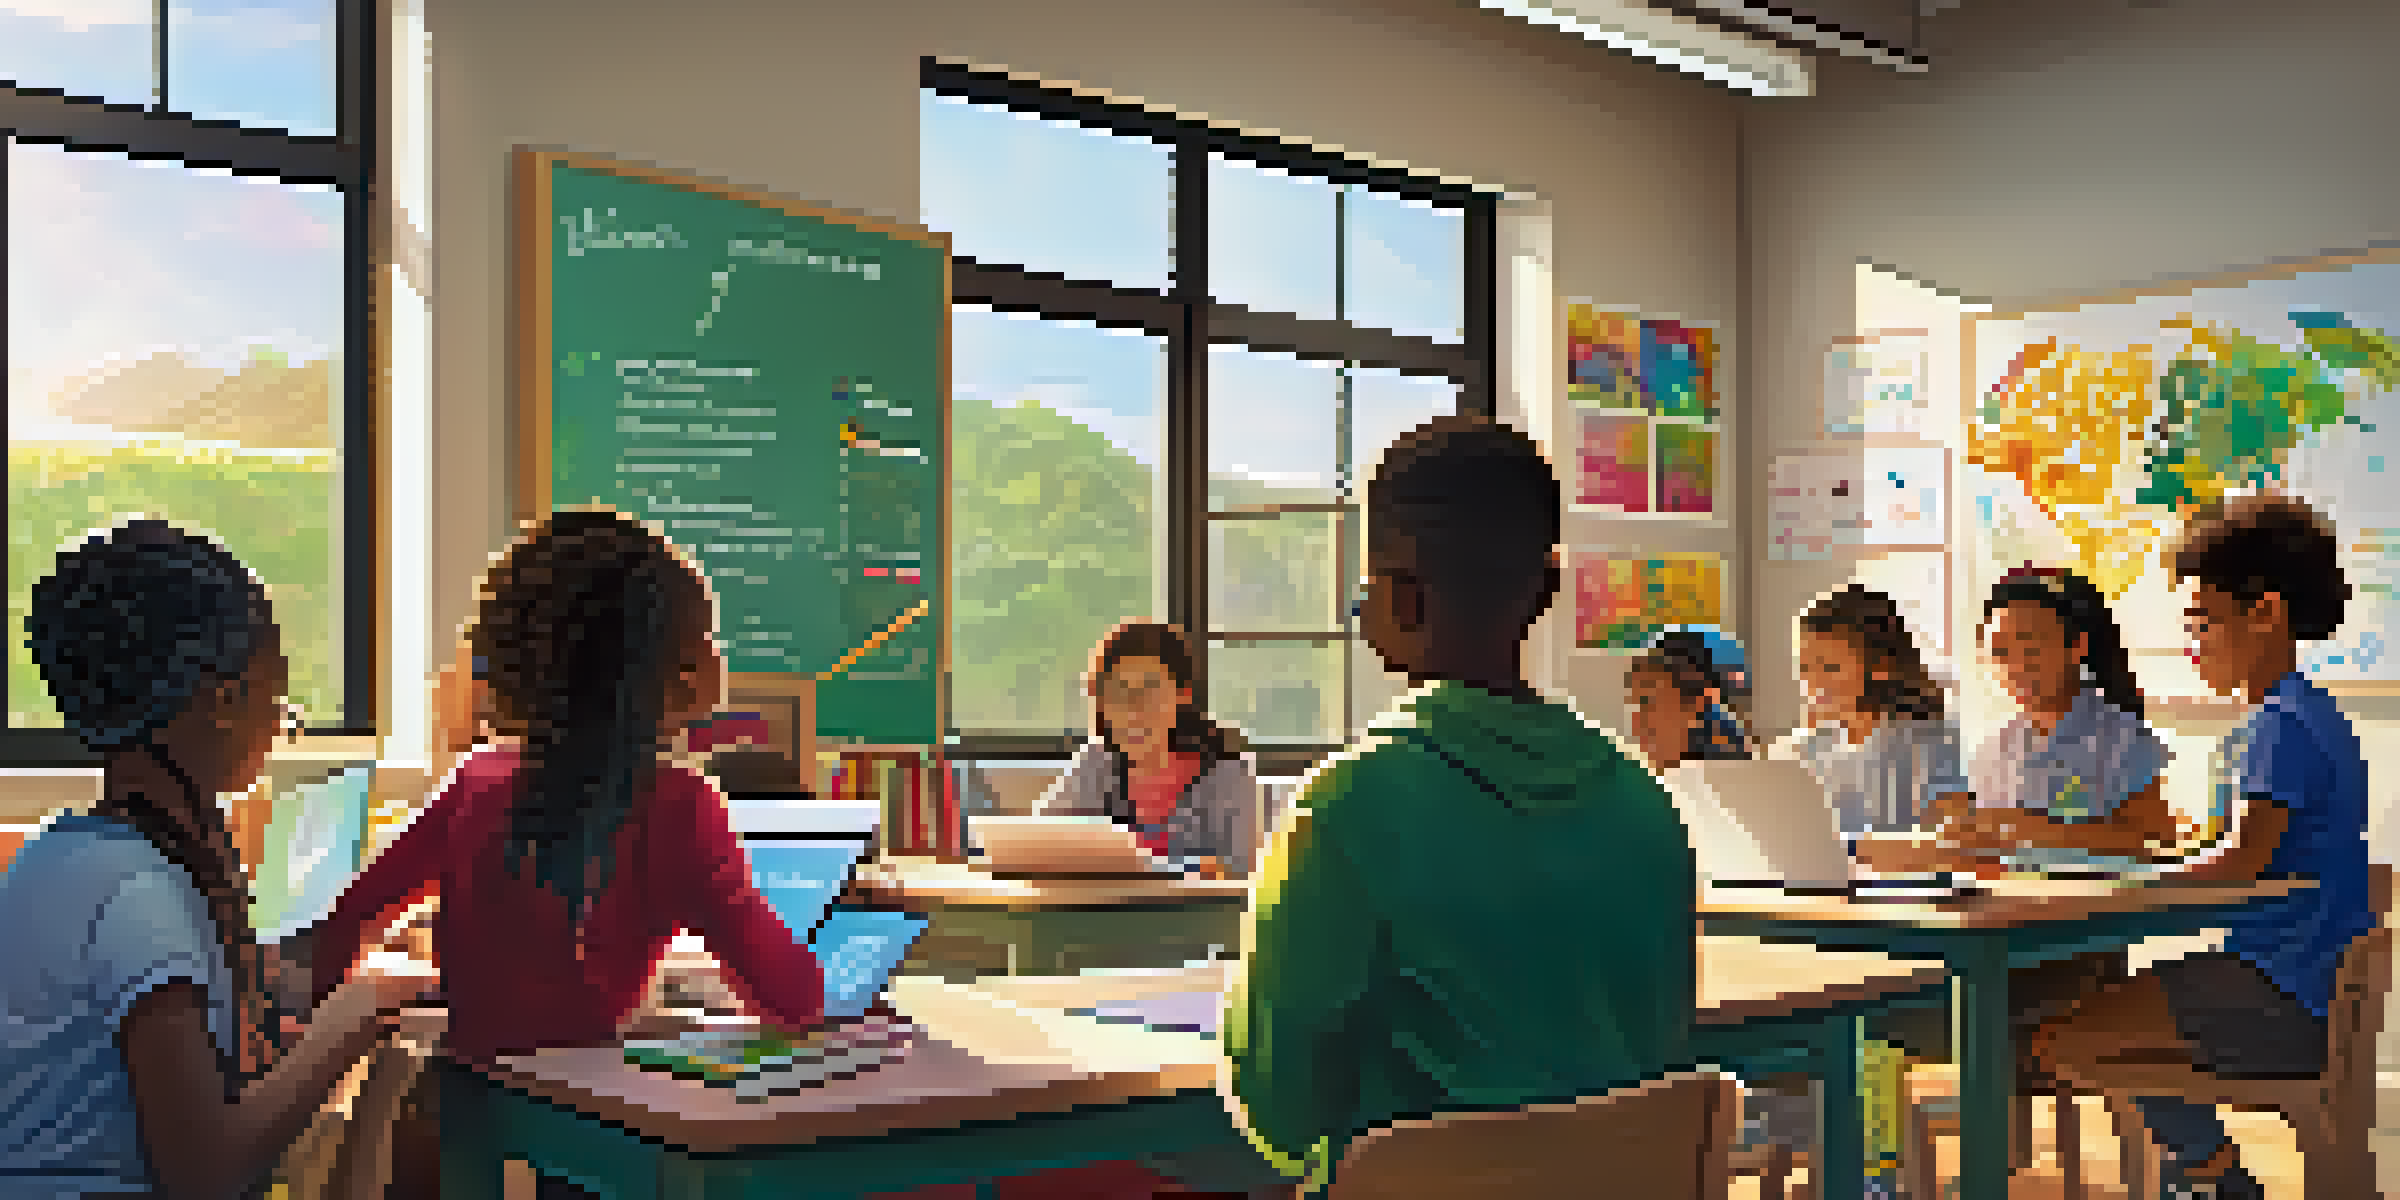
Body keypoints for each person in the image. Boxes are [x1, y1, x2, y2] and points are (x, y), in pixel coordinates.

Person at [1224, 416, 1697, 1196]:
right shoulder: (1647, 810)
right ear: (1547, 589)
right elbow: (1656, 1055)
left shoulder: (1345, 809)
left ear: (1400, 602)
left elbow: (1280, 1111)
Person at [0, 519, 435, 1198]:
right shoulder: (139, 893)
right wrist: (352, 1017)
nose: (281, 726)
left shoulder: (55, 857)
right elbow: (207, 1174)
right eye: (278, 702)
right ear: (226, 701)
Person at [308, 508, 825, 1066]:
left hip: (472, 1106)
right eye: (710, 635)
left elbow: (347, 922)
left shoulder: (477, 780)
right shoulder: (677, 806)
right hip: (580, 1122)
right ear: (678, 669)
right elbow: (791, 995)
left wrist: (293, 1032)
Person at [2034, 494, 2373, 1200]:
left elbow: (2241, 862)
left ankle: (2214, 1176)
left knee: (2060, 1041)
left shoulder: (2278, 724)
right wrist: (2178, 857)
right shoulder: (2309, 714)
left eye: (2202, 623)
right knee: (2092, 1025)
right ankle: (2207, 1175)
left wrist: (2127, 889)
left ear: (2266, 613)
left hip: (2278, 992)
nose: (2193, 645)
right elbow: (2250, 847)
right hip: (2304, 984)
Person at [1037, 621, 1265, 878]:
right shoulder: (1096, 764)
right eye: (1120, 691)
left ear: (1182, 696)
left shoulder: (1229, 776)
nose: (1134, 708)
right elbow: (1038, 846)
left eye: (1150, 689)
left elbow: (1245, 876)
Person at [1772, 584, 1966, 837]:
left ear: (1879, 667)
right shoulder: (1799, 750)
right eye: (1805, 667)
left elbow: (1950, 842)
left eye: (1829, 667)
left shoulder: (1934, 743)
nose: (1813, 682)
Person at [1624, 626, 1755, 772]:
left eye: (1647, 702)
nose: (1635, 720)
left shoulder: (1724, 774)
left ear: (1699, 702)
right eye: (1634, 703)